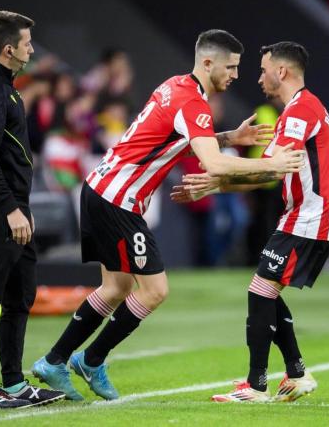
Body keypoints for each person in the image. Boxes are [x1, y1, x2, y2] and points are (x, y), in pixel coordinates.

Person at [31, 30, 305, 401]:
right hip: (118, 199)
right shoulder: (193, 103)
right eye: (232, 66)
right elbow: (210, 163)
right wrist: (273, 165)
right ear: (208, 63)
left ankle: (57, 360)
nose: (236, 75)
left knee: (117, 287)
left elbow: (173, 138)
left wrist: (229, 136)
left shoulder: (176, 86)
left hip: (101, 188)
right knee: (155, 290)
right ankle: (89, 360)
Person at [172, 42, 329, 403]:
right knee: (265, 290)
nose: (259, 76)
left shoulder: (301, 111)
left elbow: (271, 167)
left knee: (260, 290)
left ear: (282, 72)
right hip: (305, 215)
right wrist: (217, 186)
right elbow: (273, 172)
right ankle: (295, 374)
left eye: (264, 69)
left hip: (310, 217)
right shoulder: (300, 110)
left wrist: (216, 181)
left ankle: (256, 385)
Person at [0, 10, 65, 410]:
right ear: (9, 49)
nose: (32, 49)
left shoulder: (5, 87)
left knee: (20, 295)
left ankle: (15, 384)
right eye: (27, 43)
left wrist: (23, 207)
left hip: (15, 208)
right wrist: (10, 209)